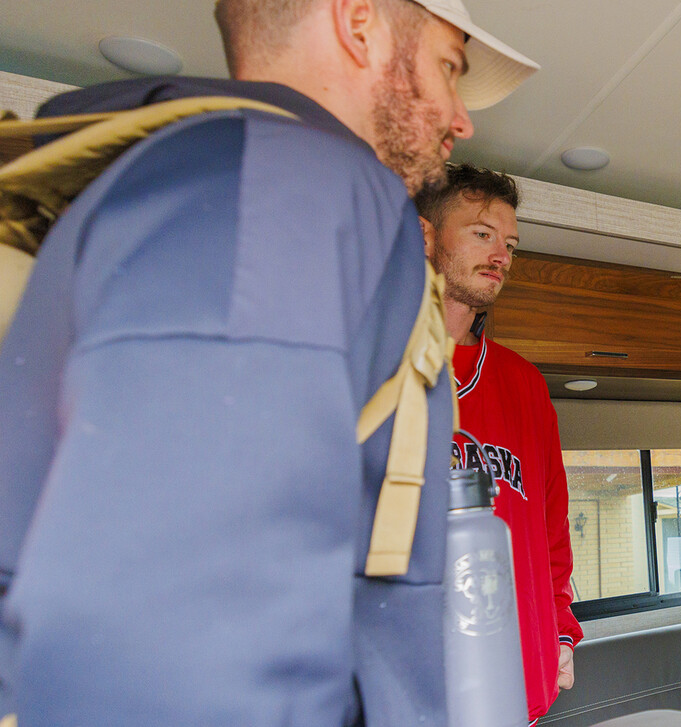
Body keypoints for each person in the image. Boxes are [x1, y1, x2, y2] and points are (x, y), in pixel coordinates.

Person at [0, 1, 536, 725]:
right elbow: (187, 629)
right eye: (448, 67)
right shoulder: (287, 184)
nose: (461, 117)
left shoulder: (207, 181)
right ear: (358, 25)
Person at [415, 164, 583, 725]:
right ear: (426, 236)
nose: (502, 254)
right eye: (483, 234)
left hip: (518, 684)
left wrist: (561, 631)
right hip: (412, 693)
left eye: (509, 243)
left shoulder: (524, 383)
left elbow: (552, 528)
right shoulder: (366, 365)